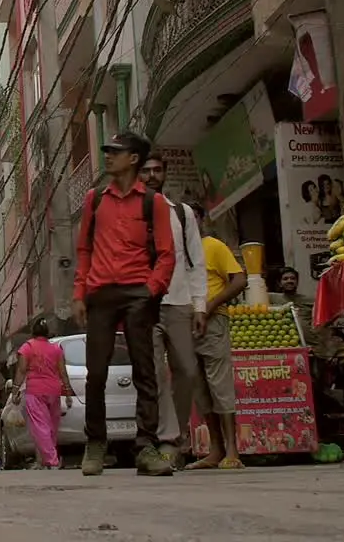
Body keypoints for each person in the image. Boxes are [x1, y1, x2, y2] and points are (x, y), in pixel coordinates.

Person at [72, 131, 176, 477]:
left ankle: (146, 446)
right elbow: (84, 249)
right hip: (101, 294)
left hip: (138, 293)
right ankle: (96, 445)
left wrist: (150, 289)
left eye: (116, 152)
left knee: (145, 372)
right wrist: (79, 293)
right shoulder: (94, 199)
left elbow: (166, 254)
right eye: (108, 151)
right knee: (96, 374)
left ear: (134, 159)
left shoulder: (153, 203)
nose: (108, 157)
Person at [139, 152, 208, 468]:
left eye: (157, 170)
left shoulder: (181, 214)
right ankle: (167, 442)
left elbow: (196, 262)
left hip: (179, 299)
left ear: (164, 174)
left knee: (188, 370)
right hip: (145, 305)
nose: (152, 175)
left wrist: (200, 306)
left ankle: (176, 436)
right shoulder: (130, 215)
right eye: (146, 171)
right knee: (154, 374)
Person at [186, 203, 246, 471]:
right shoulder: (176, 252)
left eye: (193, 216)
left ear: (201, 219)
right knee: (200, 390)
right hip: (185, 325)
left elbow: (239, 280)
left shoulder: (213, 246)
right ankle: (215, 449)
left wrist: (210, 306)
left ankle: (233, 450)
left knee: (220, 385)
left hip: (213, 321)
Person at [10, 317, 75, 469]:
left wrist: (15, 390)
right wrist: (68, 393)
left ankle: (52, 460)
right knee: (51, 426)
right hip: (54, 390)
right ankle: (48, 460)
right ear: (48, 333)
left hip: (35, 391)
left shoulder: (27, 347)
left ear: (33, 332)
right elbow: (63, 372)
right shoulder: (56, 349)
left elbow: (21, 371)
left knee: (40, 427)